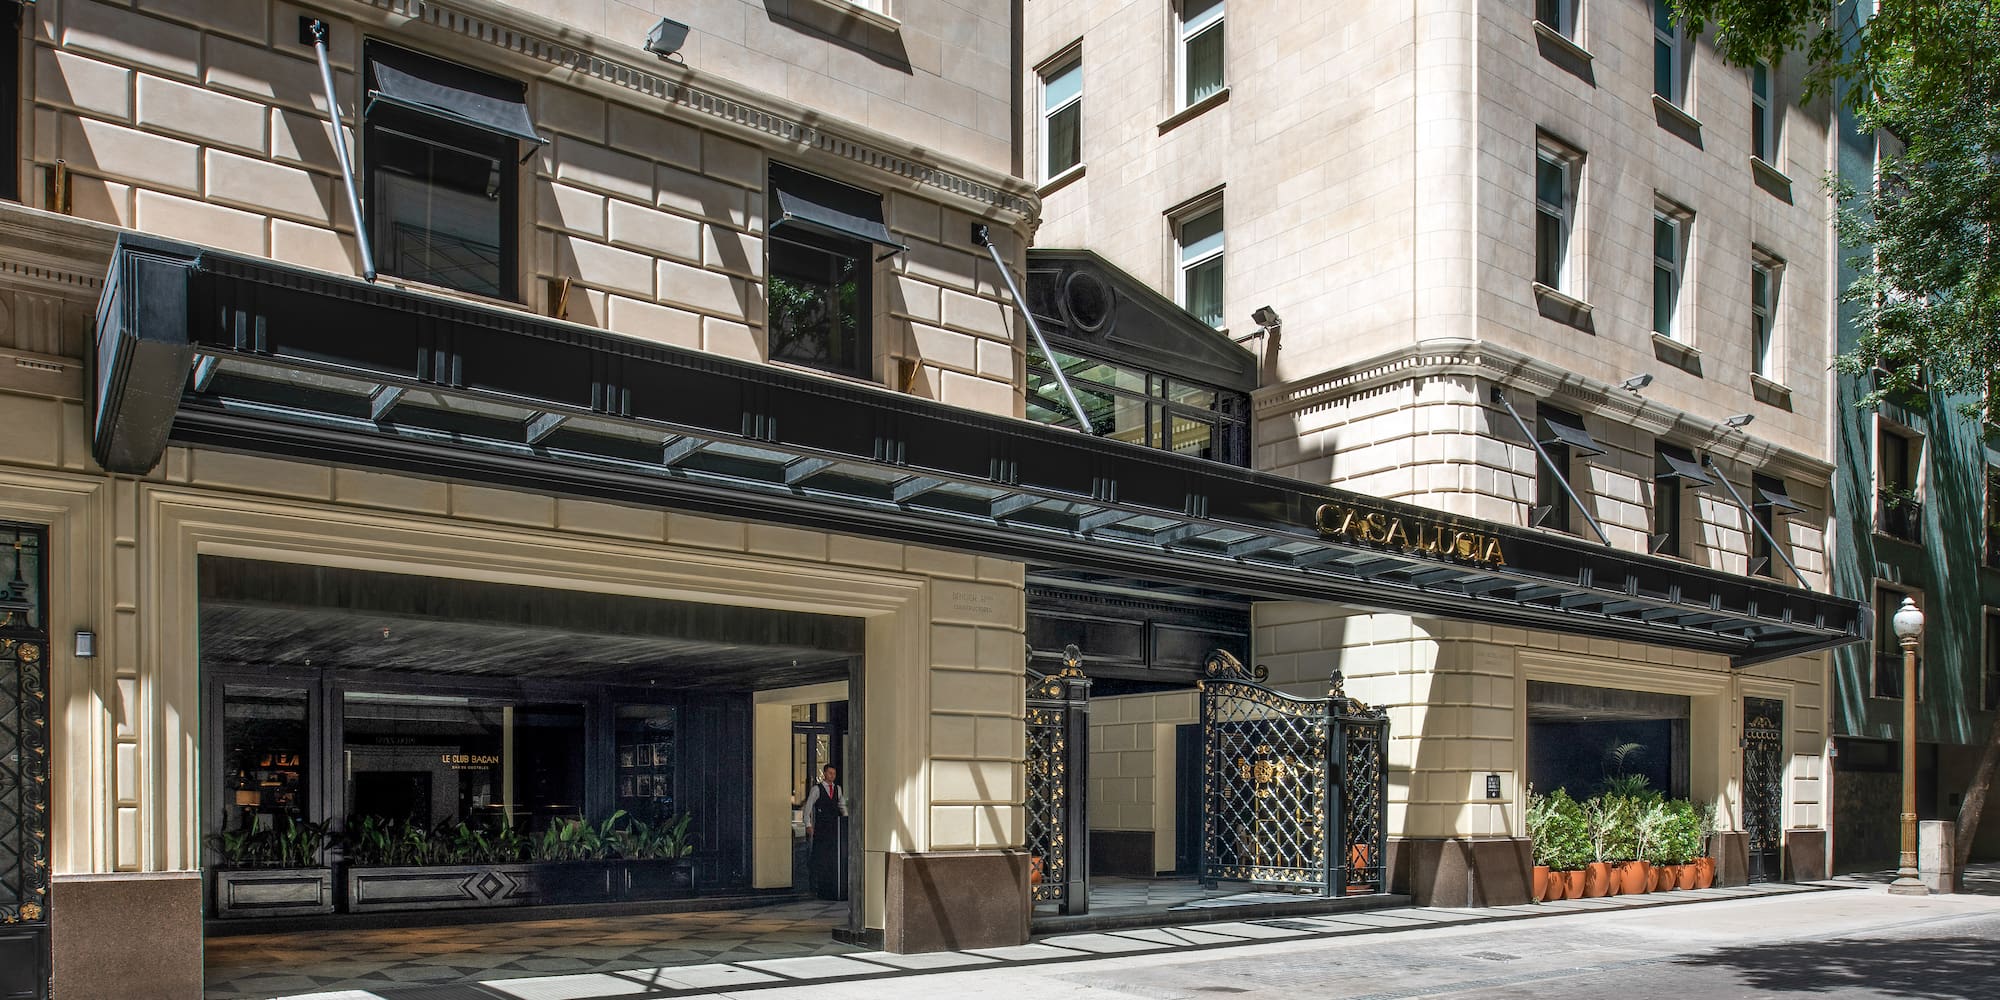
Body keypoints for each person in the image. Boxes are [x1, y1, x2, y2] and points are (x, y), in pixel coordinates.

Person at [802, 763, 845, 900]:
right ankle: (818, 887)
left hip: (834, 828)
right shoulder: (817, 789)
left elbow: (841, 805)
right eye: (830, 773)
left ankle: (830, 886)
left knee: (832, 856)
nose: (832, 776)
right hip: (821, 827)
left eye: (834, 773)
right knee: (820, 856)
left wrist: (845, 820)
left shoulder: (838, 789)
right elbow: (808, 807)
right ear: (825, 773)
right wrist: (808, 824)